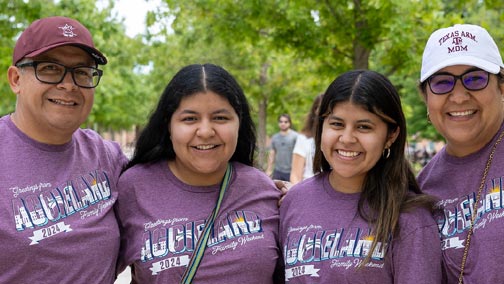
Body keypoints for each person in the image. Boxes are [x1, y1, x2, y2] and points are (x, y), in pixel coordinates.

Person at [115, 63, 284, 283]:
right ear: (169, 125)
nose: (205, 132)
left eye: (220, 118)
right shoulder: (134, 188)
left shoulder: (265, 191)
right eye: (190, 119)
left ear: (239, 123)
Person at [280, 70, 442, 283]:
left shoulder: (411, 218)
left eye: (364, 127)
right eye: (336, 124)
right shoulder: (294, 201)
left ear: (391, 135)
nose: (347, 139)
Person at [0, 16, 128, 283]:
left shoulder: (108, 158)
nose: (68, 84)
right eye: (49, 68)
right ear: (15, 79)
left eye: (82, 72)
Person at [417, 24, 504, 283]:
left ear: (501, 87)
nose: (458, 96)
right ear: (426, 99)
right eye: (442, 83)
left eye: (475, 78)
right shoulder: (421, 190)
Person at [290, 94, 323, 184]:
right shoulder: (303, 138)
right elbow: (295, 175)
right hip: (308, 190)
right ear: (315, 110)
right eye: (321, 107)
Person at [266, 113, 298, 181]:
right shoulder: (275, 137)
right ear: (278, 123)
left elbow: (299, 155)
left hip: (291, 172)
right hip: (277, 171)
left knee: (290, 191)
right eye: (281, 121)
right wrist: (269, 169)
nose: (283, 123)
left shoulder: (295, 137)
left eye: (285, 122)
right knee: (276, 191)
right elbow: (272, 153)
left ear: (289, 123)